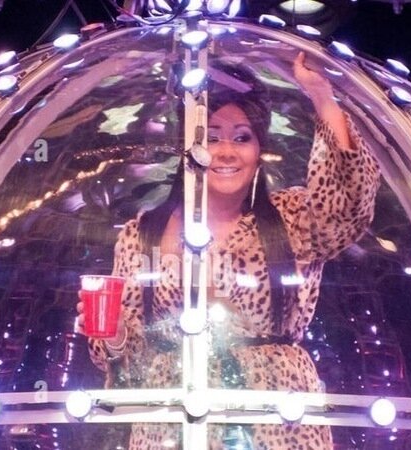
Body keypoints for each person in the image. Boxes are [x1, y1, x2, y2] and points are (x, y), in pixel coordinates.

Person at [76, 52, 381, 449]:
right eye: (211, 137)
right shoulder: (143, 233)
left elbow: (349, 204)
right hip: (172, 420)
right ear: (187, 147)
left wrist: (321, 95)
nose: (225, 152)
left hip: (278, 420)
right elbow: (130, 366)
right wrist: (114, 334)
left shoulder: (293, 219)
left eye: (241, 137)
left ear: (259, 150)